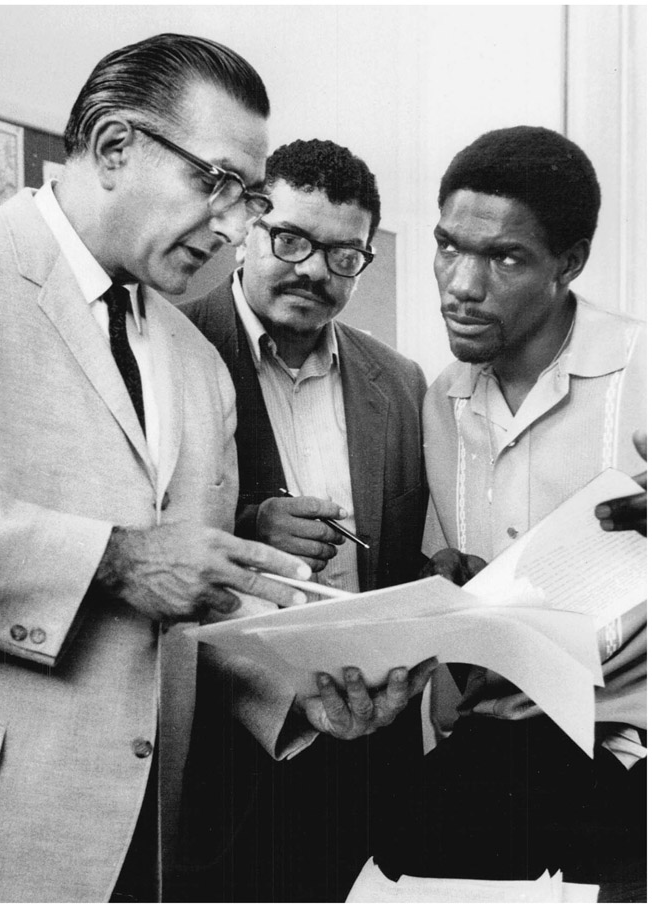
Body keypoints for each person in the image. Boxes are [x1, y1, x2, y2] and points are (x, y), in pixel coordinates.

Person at [0, 36, 425, 903]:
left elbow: (200, 601)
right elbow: (147, 569)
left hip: (153, 845)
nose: (233, 226)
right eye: (214, 183)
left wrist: (301, 696)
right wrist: (117, 559)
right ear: (115, 147)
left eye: (247, 196)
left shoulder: (193, 361)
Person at [370, 126, 646, 901]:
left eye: (505, 258)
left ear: (570, 263)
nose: (462, 283)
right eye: (449, 247)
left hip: (633, 748)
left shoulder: (647, 368)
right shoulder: (438, 401)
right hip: (503, 745)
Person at [179, 138, 429, 901]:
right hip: (218, 764)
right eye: (291, 239)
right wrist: (251, 523)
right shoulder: (173, 346)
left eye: (344, 255)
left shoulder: (401, 381)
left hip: (360, 753)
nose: (315, 270)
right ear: (248, 226)